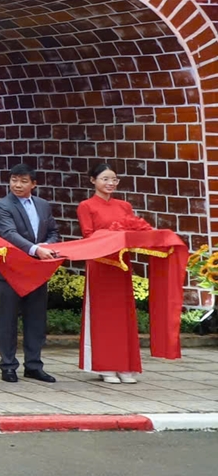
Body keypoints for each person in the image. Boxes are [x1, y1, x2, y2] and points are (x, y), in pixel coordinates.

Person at [0, 162, 61, 384]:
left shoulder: (43, 205)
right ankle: (8, 365)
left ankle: (34, 365)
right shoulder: (3, 205)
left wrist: (48, 245)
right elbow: (8, 233)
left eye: (23, 181)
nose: (17, 185)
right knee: (8, 320)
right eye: (14, 180)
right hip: (11, 270)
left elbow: (54, 231)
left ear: (34, 184)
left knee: (36, 319)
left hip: (37, 271)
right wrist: (36, 249)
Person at [76, 163, 148, 384]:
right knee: (103, 314)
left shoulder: (124, 206)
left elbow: (133, 230)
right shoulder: (86, 206)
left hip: (121, 265)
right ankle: (105, 365)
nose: (110, 183)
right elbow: (88, 234)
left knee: (124, 315)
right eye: (105, 179)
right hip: (100, 263)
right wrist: (113, 236)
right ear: (93, 181)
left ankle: (126, 366)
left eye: (114, 179)